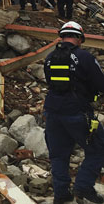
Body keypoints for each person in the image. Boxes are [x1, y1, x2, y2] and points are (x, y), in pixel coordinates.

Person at [44, 21, 104, 204]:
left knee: (59, 154)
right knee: (98, 149)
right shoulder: (85, 57)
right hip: (77, 112)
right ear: (79, 38)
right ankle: (83, 187)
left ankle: (61, 193)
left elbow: (50, 83)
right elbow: (100, 84)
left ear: (62, 36)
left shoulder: (49, 58)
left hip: (53, 113)